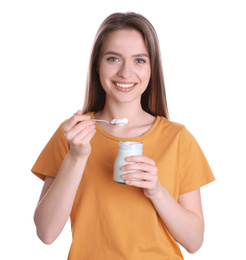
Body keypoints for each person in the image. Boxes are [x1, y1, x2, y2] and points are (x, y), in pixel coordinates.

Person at [32, 12, 215, 260]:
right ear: (97, 65)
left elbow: (194, 242)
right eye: (113, 58)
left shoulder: (178, 139)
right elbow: (47, 233)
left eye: (139, 60)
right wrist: (76, 157)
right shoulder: (72, 134)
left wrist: (156, 191)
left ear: (152, 68)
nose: (126, 72)